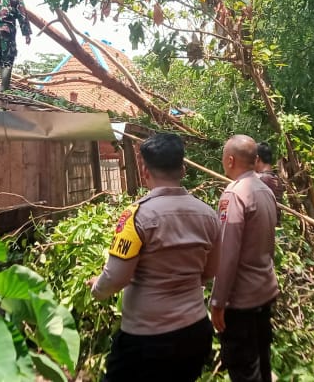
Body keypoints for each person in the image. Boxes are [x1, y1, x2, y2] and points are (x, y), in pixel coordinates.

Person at [90, 133, 221, 382]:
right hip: (194, 331)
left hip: (146, 340)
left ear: (144, 170)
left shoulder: (136, 216)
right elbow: (210, 271)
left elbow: (116, 278)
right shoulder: (208, 215)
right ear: (183, 169)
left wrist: (97, 288)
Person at [210, 134, 279, 382]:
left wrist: (218, 301)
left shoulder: (235, 195)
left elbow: (227, 254)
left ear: (230, 160)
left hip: (242, 302)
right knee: (262, 362)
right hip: (264, 292)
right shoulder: (266, 190)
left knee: (245, 370)